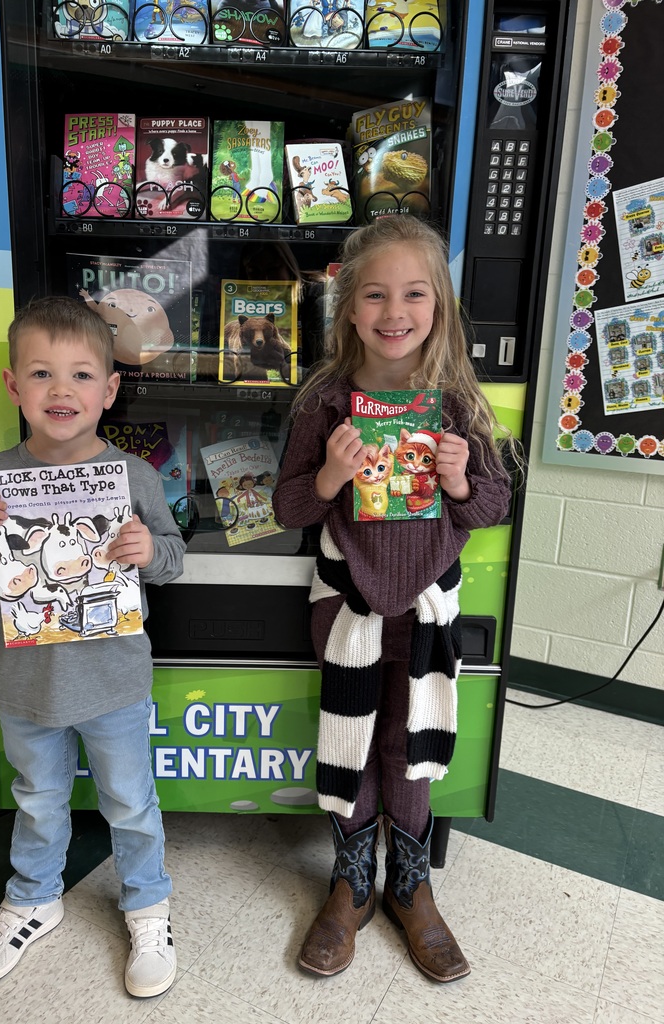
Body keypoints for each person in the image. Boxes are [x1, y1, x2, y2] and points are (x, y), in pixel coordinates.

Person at [272, 215, 512, 983]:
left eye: (413, 293)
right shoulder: (325, 399)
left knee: (410, 746)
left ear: (438, 304)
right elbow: (288, 509)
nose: (393, 311)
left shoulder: (458, 401)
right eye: (374, 294)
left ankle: (411, 885)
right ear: (347, 306)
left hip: (429, 608)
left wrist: (459, 480)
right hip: (345, 607)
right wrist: (329, 480)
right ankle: (351, 884)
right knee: (352, 736)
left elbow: (491, 508)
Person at [0, 296, 186, 998]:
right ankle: (33, 898)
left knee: (131, 802)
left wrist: (147, 548)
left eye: (80, 376)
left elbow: (172, 557)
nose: (60, 390)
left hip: (112, 682)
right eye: (41, 374)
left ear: (108, 390)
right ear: (15, 387)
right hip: (24, 685)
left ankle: (147, 904)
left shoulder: (132, 478)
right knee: (40, 799)